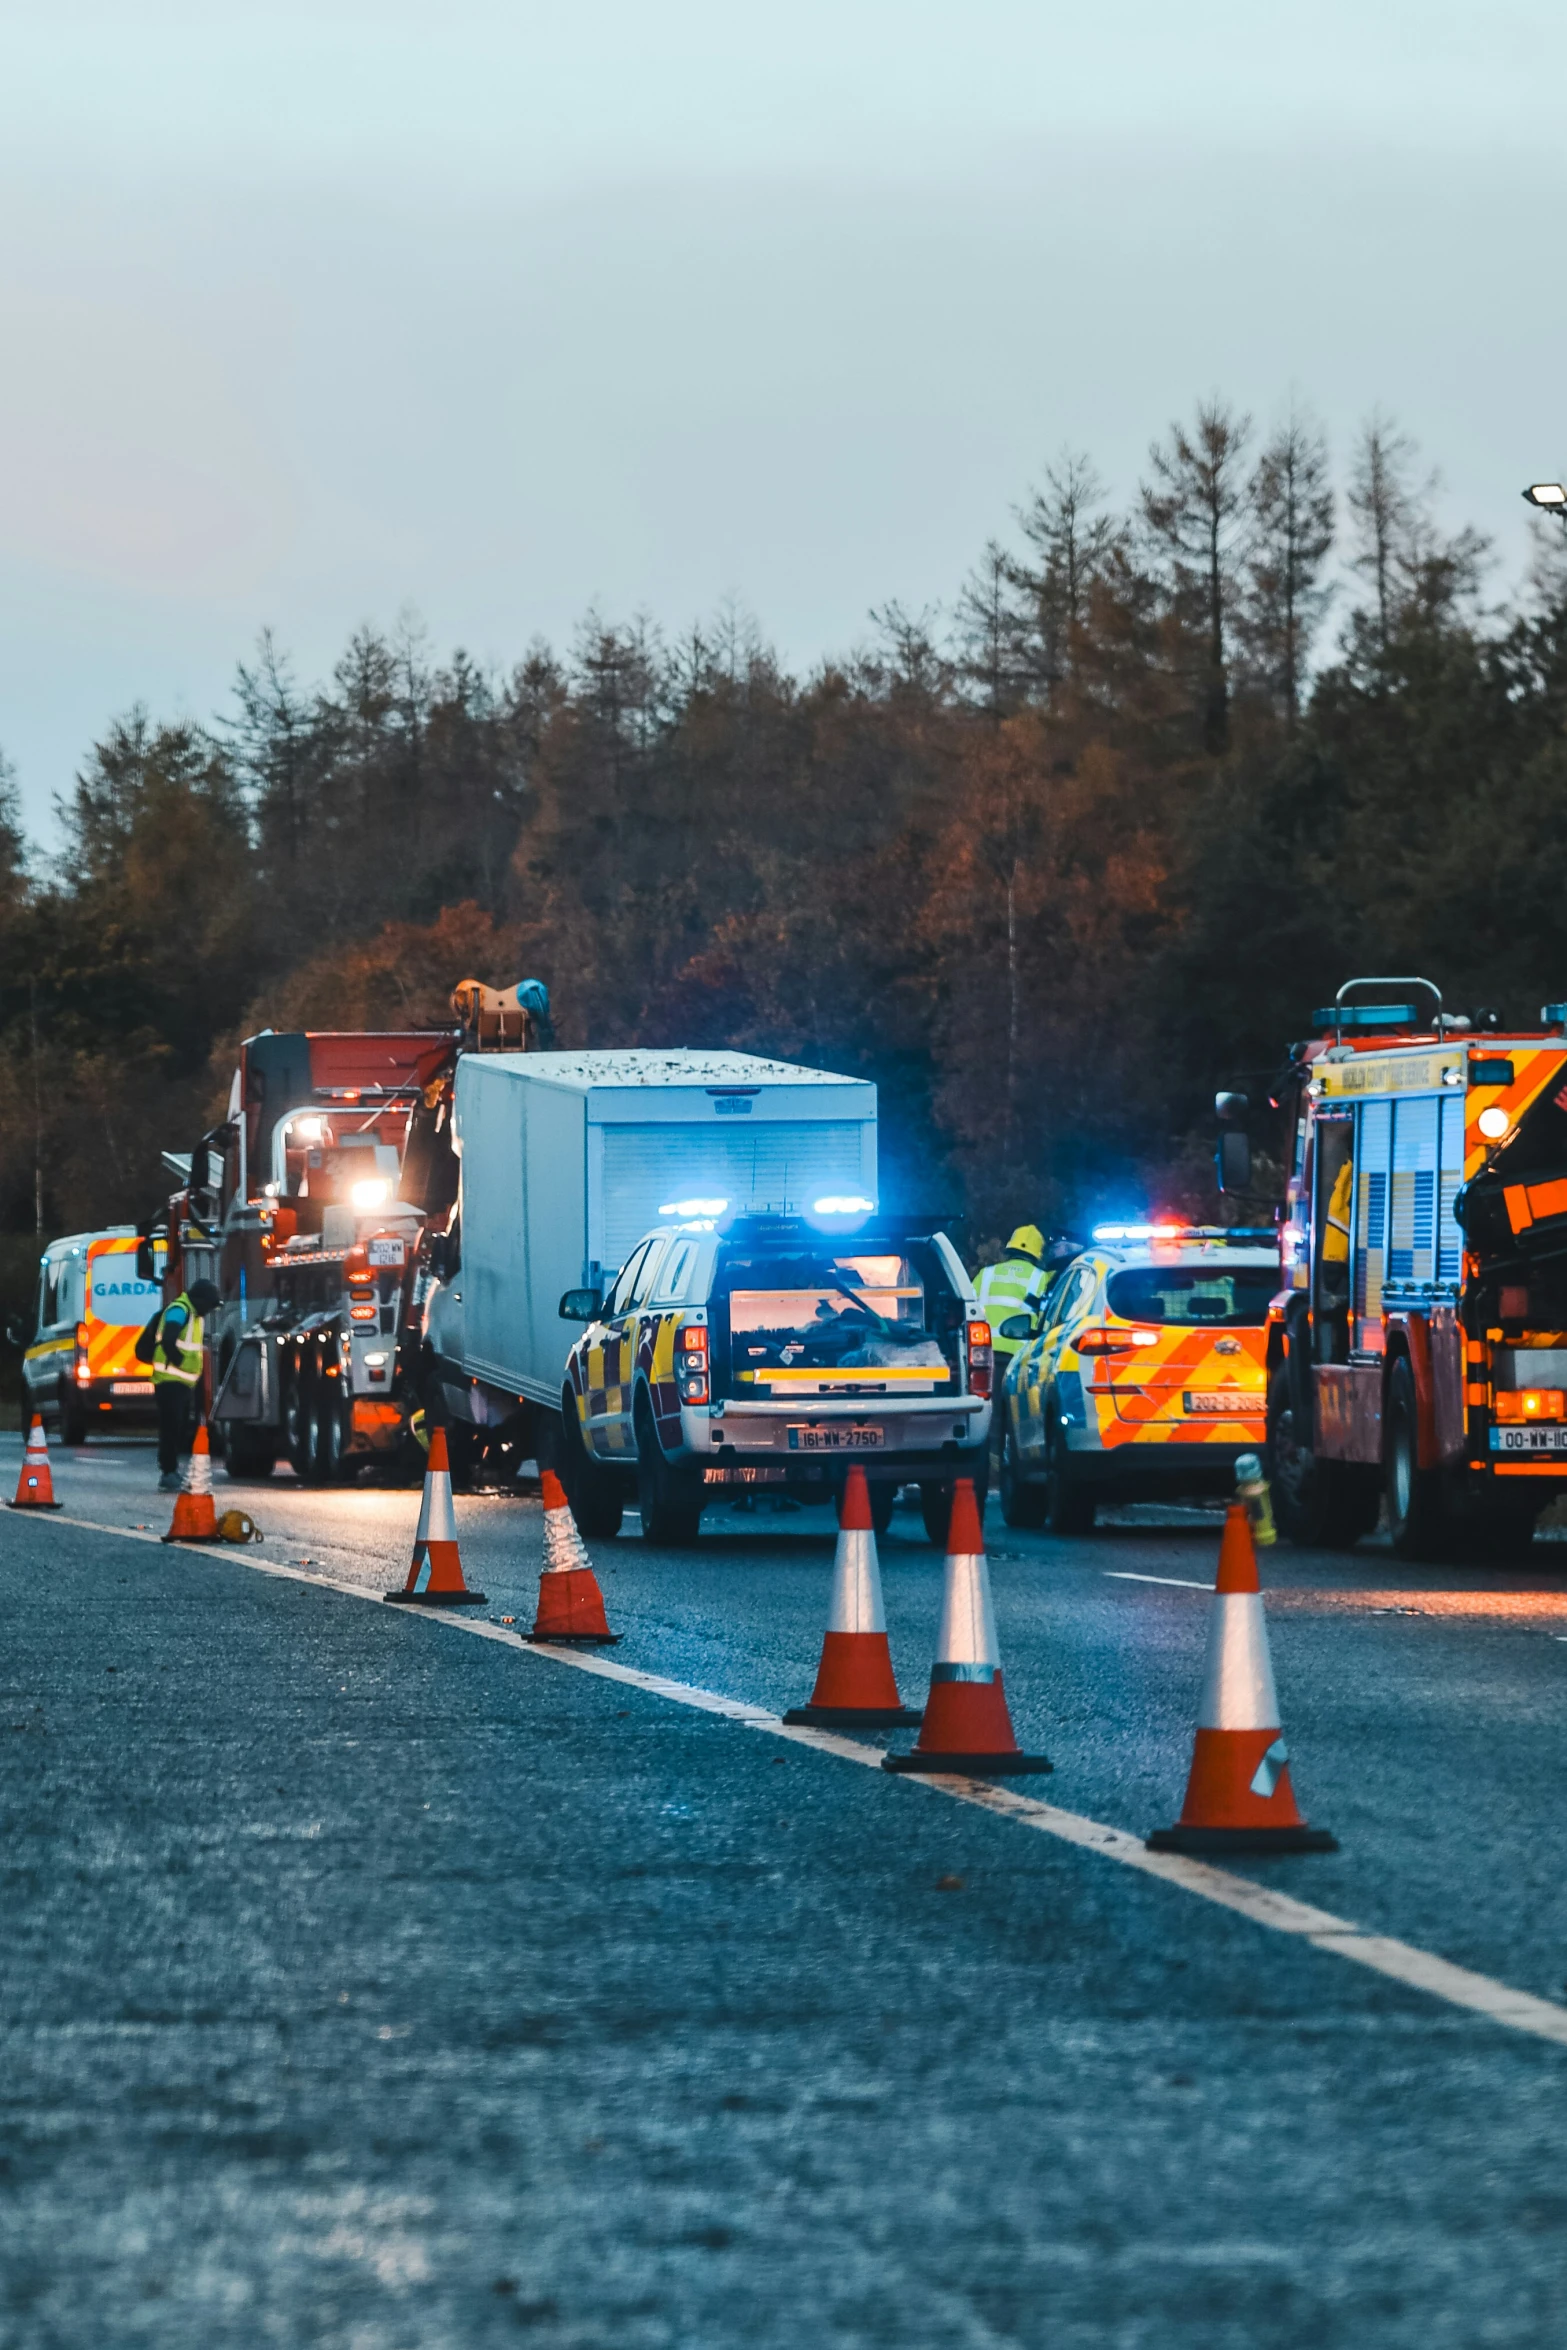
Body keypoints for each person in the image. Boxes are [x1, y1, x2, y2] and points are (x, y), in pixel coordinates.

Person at [152, 1278, 219, 1490]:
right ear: (199, 1300)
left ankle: (171, 1471)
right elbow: (169, 1339)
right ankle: (168, 1472)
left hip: (182, 1382)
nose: (209, 1310)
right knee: (171, 1428)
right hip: (170, 1380)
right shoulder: (180, 1310)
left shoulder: (193, 1314)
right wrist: (179, 1361)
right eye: (209, 1305)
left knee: (177, 1428)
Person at [974, 1226, 1051, 1367]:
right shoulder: (1041, 1278)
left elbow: (967, 1307)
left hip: (982, 1351)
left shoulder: (986, 1273)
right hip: (1019, 1355)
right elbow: (1046, 1320)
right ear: (1037, 1254)